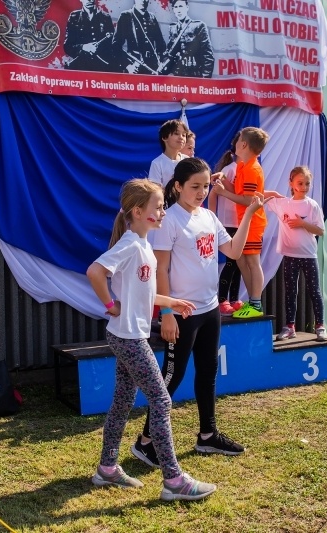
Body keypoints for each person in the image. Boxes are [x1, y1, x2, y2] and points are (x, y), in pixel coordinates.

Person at [130, 158, 267, 468]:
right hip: (181, 313)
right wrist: (165, 312)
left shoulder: (207, 216)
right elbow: (160, 269)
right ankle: (145, 442)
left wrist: (248, 216)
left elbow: (233, 251)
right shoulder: (170, 220)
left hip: (209, 309)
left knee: (207, 372)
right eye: (195, 186)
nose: (202, 192)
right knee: (172, 376)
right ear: (177, 186)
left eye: (206, 186)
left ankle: (207, 435)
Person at [87, 178, 216, 502]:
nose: (162, 212)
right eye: (158, 207)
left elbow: (141, 290)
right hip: (129, 338)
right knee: (161, 401)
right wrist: (109, 306)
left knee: (122, 402)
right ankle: (174, 480)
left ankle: (107, 469)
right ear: (138, 211)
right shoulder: (130, 244)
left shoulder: (142, 245)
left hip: (127, 335)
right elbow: (94, 272)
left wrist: (169, 302)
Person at [211, 127, 275, 318]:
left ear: (244, 144)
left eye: (238, 140)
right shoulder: (243, 166)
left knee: (253, 262)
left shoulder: (252, 169)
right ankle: (253, 303)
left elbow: (248, 200)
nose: (235, 143)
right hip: (245, 222)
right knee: (241, 260)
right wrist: (223, 179)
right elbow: (239, 191)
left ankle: (256, 303)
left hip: (254, 222)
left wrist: (223, 193)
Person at [266, 166, 327, 341]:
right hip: (290, 255)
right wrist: (275, 194)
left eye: (307, 183)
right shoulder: (283, 203)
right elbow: (259, 194)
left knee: (314, 291)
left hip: (308, 256)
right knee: (291, 291)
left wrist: (302, 224)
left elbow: (320, 230)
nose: (304, 187)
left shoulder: (312, 205)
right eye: (300, 183)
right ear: (291, 183)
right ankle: (290, 326)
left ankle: (320, 326)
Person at [208, 133, 243, 315]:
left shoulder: (246, 169)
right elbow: (215, 193)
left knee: (238, 262)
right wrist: (214, 219)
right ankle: (222, 300)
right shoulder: (230, 169)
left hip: (240, 223)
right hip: (228, 221)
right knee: (231, 262)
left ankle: (235, 298)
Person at [159, 0, 214, 78]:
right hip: (177, 74)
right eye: (176, 7)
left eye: (181, 6)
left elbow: (208, 56)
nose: (178, 10)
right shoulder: (172, 28)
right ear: (173, 10)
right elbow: (169, 53)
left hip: (194, 73)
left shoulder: (198, 26)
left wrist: (205, 78)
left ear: (187, 8)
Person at [112, 0, 166, 74]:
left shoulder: (152, 17)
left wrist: (160, 62)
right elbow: (116, 46)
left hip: (152, 68)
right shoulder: (126, 16)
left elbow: (161, 44)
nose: (143, 0)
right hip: (135, 67)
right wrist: (128, 66)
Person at [63, 0, 116, 72]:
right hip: (80, 67)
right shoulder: (74, 17)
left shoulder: (105, 17)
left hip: (102, 67)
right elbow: (67, 46)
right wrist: (84, 47)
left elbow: (113, 46)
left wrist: (99, 49)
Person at [148, 119, 188, 188]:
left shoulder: (188, 160)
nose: (181, 137)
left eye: (184, 135)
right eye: (176, 133)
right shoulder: (157, 163)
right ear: (164, 137)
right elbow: (155, 191)